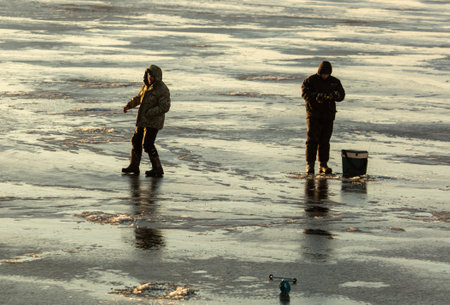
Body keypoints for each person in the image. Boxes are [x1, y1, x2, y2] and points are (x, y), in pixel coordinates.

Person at [122, 64, 171, 177]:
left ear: (157, 76)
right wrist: (129, 105)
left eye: (152, 76)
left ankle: (157, 168)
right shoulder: (146, 86)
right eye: (149, 75)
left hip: (154, 122)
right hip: (143, 120)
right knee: (136, 140)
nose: (150, 78)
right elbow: (139, 98)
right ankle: (134, 166)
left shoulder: (162, 89)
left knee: (148, 144)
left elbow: (165, 107)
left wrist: (150, 113)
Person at [301, 61, 345, 175]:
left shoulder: (335, 82)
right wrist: (316, 96)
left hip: (328, 115)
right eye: (323, 73)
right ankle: (310, 165)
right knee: (312, 140)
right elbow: (305, 94)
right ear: (319, 72)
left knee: (325, 141)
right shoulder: (310, 80)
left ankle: (323, 165)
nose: (325, 76)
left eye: (327, 74)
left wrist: (334, 95)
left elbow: (342, 95)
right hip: (313, 115)